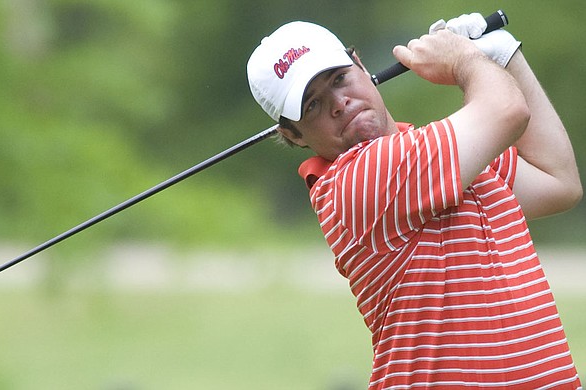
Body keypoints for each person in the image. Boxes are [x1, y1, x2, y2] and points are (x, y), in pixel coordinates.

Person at [247, 13, 582, 389]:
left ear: (359, 64)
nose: (338, 103)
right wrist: (466, 60)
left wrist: (505, 56)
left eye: (339, 78)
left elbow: (559, 182)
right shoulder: (356, 181)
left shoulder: (443, 154)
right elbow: (507, 111)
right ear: (293, 136)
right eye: (312, 105)